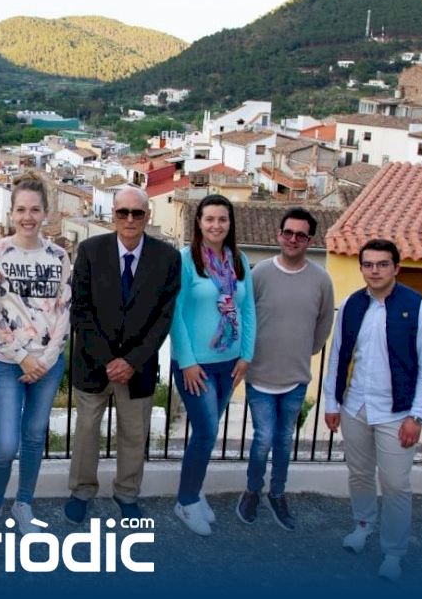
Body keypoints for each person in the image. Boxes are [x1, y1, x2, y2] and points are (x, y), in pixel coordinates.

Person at [323, 239, 422, 581]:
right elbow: (338, 355)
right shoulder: (351, 305)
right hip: (355, 406)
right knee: (359, 474)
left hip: (397, 413)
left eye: (382, 264)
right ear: (361, 268)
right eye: (368, 264)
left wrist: (416, 416)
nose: (374, 270)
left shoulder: (420, 309)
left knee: (395, 484)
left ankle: (393, 552)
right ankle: (362, 526)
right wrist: (332, 402)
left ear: (396, 267)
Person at [66, 186, 180, 523]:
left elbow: (164, 317)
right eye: (122, 212)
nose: (130, 219)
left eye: (137, 212)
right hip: (93, 363)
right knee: (86, 433)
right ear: (113, 214)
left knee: (134, 434)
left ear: (147, 216)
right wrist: (109, 360)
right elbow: (80, 310)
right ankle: (81, 491)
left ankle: (127, 493)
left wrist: (131, 361)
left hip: (138, 367)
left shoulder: (167, 257)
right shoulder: (90, 251)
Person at [0, 175, 72, 535]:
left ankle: (23, 503)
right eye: (22, 210)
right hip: (7, 363)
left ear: (46, 213)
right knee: (5, 444)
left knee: (34, 437)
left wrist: (46, 358)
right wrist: (23, 356)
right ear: (12, 213)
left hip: (48, 364)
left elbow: (64, 310)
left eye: (35, 210)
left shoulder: (59, 256)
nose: (28, 217)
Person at [235, 207, 334, 530]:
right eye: (288, 233)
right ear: (279, 235)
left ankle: (277, 493)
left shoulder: (321, 280)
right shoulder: (260, 273)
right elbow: (245, 317)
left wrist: (305, 351)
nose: (293, 239)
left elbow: (324, 324)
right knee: (263, 438)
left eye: (300, 235)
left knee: (284, 439)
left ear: (310, 240)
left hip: (296, 378)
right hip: (260, 376)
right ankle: (253, 490)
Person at [169, 193, 255, 536]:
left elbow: (247, 310)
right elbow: (175, 314)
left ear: (230, 223)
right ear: (199, 223)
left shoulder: (239, 260)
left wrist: (247, 355)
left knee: (205, 432)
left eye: (222, 219)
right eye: (209, 219)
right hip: (196, 366)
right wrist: (187, 362)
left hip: (229, 363)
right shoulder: (186, 260)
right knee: (206, 432)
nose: (216, 225)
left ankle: (193, 488)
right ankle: (186, 500)